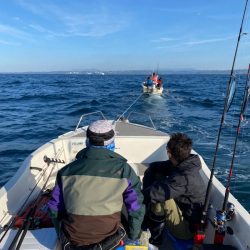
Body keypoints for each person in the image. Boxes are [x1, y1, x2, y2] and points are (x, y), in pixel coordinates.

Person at [48, 120, 145, 249]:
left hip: (73, 239)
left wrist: (60, 234)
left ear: (87, 141)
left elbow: (54, 209)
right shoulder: (124, 170)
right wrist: (134, 236)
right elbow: (136, 209)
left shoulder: (65, 171)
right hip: (110, 239)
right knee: (126, 204)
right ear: (112, 142)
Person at [142, 133, 206, 245]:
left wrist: (133, 198)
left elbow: (155, 194)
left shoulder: (184, 178)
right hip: (182, 208)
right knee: (156, 175)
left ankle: (155, 239)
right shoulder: (185, 163)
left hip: (187, 228)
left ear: (169, 154)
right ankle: (148, 211)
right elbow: (154, 168)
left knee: (160, 199)